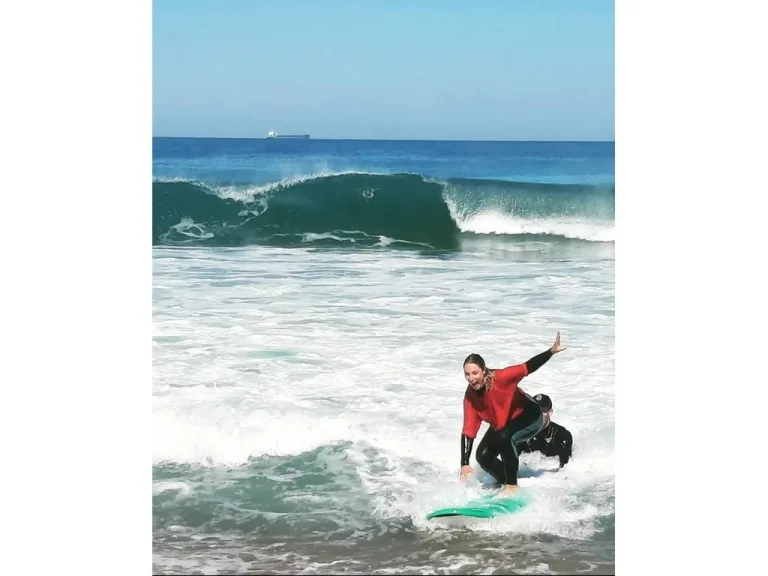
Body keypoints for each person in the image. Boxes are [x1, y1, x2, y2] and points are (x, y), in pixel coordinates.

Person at [460, 331, 566, 495]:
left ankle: (512, 486)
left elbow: (528, 367)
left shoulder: (501, 378)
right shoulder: (470, 397)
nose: (471, 378)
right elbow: (468, 430)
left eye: (474, 373)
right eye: (467, 374)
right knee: (483, 456)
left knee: (505, 437)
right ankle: (503, 479)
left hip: (530, 416)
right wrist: (464, 463)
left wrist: (551, 351)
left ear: (483, 370)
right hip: (503, 422)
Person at [516, 394, 573, 468]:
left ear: (550, 413)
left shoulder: (562, 436)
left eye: (541, 413)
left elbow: (565, 471)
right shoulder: (521, 435)